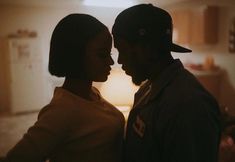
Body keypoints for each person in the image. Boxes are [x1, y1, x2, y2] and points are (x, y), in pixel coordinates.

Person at [0, 14, 125, 162]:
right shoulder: (63, 111)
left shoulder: (91, 93)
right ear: (75, 54)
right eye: (102, 54)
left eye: (109, 53)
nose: (111, 61)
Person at [112, 4, 221, 162]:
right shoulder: (148, 88)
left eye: (123, 50)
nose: (120, 60)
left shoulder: (188, 106)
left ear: (147, 48)